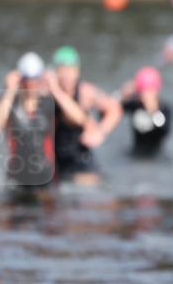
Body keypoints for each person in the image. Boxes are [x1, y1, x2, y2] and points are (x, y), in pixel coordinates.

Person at [0, 52, 86, 188]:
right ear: (20, 80)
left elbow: (80, 119)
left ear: (40, 79)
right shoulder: (10, 102)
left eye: (35, 80)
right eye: (27, 80)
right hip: (16, 178)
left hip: (47, 177)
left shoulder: (49, 102)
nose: (31, 85)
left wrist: (55, 89)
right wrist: (9, 91)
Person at [51, 45, 123, 185]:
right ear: (56, 72)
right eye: (62, 70)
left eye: (70, 70)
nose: (66, 76)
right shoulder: (48, 91)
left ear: (77, 71)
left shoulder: (85, 92)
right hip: (56, 161)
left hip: (80, 160)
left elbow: (114, 108)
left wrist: (101, 132)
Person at [119, 66, 173, 158]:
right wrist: (122, 95)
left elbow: (164, 132)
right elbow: (109, 112)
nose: (147, 95)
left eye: (150, 91)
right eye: (144, 92)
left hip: (156, 154)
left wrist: (153, 111)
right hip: (136, 152)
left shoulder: (165, 108)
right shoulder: (135, 105)